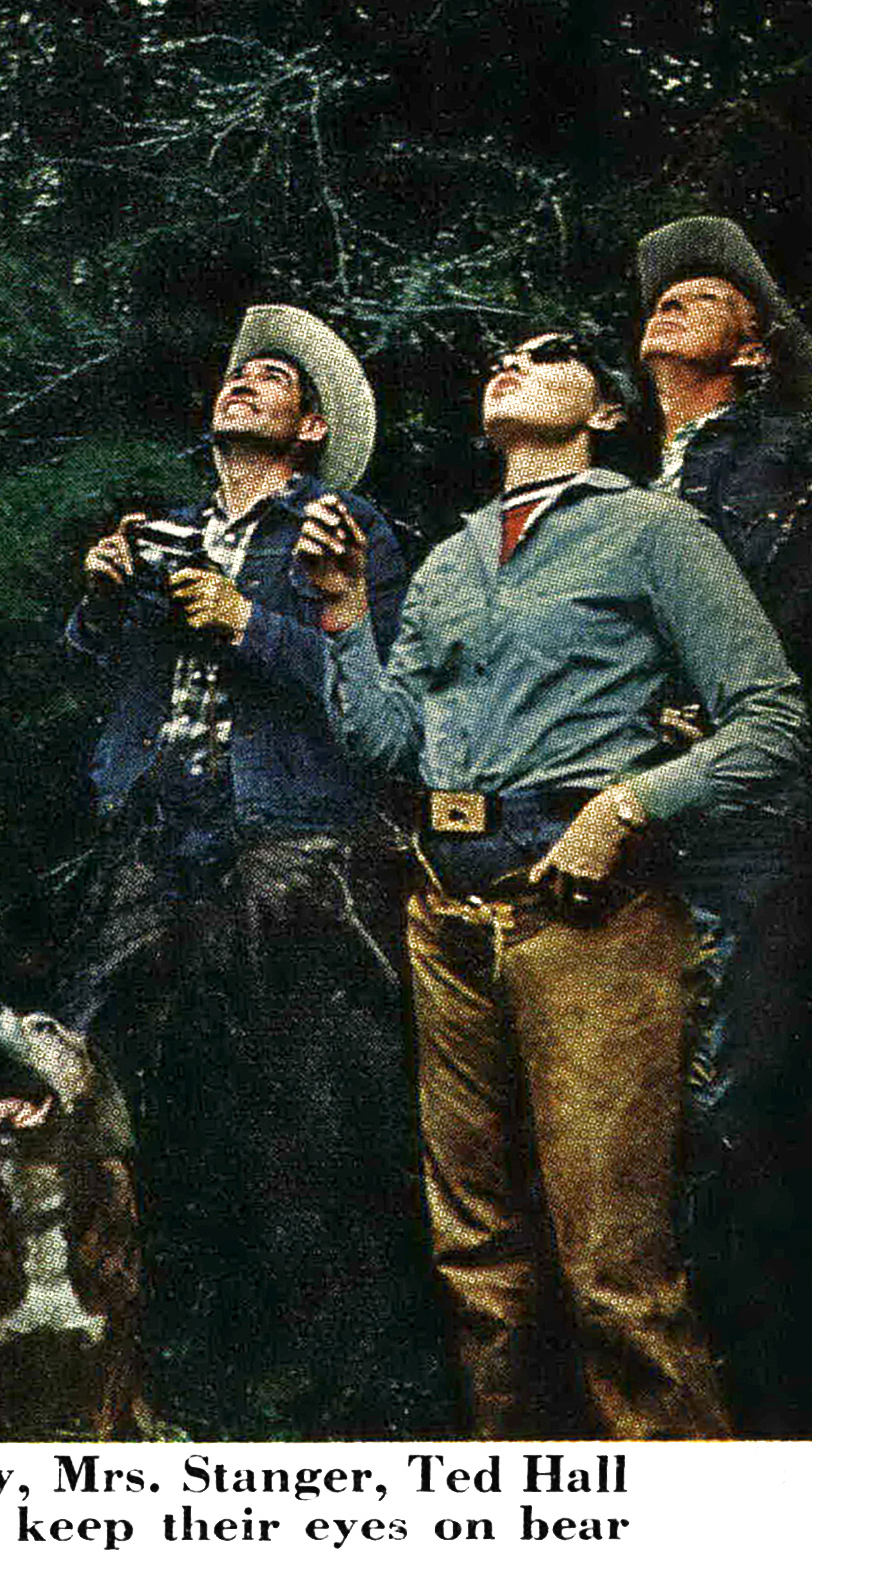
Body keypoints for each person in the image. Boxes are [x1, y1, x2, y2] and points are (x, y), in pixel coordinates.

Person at [296, 328, 806, 1440]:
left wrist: (623, 806)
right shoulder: (450, 556)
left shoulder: (652, 530)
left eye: (546, 353)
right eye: (499, 356)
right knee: (475, 1261)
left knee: (613, 1270)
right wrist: (342, 616)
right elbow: (390, 744)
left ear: (608, 413)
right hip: (444, 912)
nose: (506, 361)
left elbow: (773, 719)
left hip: (589, 915)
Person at [56, 304, 430, 1435]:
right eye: (234, 374)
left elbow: (375, 699)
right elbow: (88, 663)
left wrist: (243, 621)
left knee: (302, 1113)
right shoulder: (162, 526)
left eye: (269, 380)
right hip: (151, 833)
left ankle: (322, 1384)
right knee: (114, 1086)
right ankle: (140, 1360)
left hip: (285, 844)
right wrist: (99, 590)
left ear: (307, 426)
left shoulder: (343, 527)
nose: (241, 385)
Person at [635, 215, 812, 1435]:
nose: (666, 306)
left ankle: (768, 1413)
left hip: (747, 812)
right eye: (658, 294)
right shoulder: (599, 476)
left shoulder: (799, 463)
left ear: (751, 352)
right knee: (625, 1108)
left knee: (736, 1106)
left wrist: (735, 713)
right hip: (610, 816)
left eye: (699, 297)